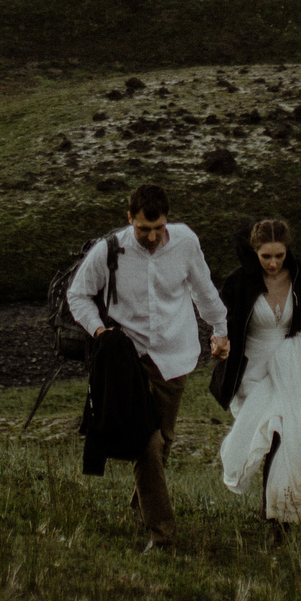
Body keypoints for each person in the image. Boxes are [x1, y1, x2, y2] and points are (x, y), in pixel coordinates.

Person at [66, 183, 229, 550]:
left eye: (158, 229)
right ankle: (163, 533)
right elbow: (77, 294)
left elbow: (204, 290)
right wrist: (100, 331)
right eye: (143, 229)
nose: (152, 237)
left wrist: (220, 331)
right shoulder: (109, 249)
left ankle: (141, 504)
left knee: (164, 440)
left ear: (167, 219)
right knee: (148, 444)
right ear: (130, 219)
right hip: (129, 358)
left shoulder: (186, 242)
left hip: (176, 353)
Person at [214, 217, 301, 544]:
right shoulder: (238, 282)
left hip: (289, 365)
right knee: (264, 437)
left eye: (279, 255)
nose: (274, 263)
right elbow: (223, 322)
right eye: (266, 256)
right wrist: (220, 345)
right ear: (256, 251)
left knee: (284, 435)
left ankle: (278, 516)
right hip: (252, 370)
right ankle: (272, 507)